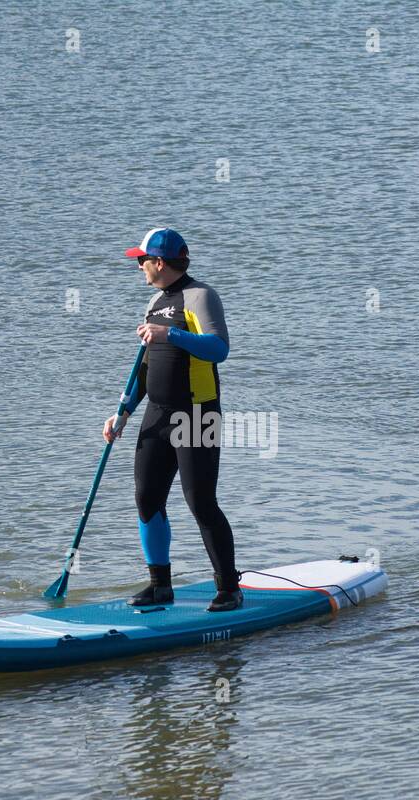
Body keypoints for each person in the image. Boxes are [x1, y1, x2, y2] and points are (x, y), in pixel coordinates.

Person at [102, 227, 242, 612]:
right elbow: (145, 368)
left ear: (159, 262)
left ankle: (229, 588)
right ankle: (160, 585)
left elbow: (219, 349)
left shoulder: (201, 296)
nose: (139, 267)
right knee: (146, 498)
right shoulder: (153, 304)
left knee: (201, 502)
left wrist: (171, 334)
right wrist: (123, 412)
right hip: (156, 415)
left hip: (197, 413)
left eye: (141, 261)